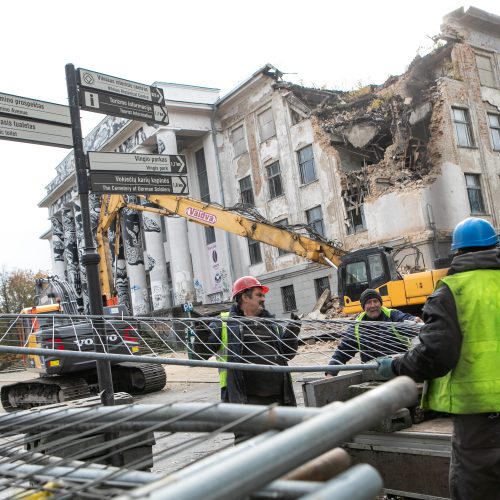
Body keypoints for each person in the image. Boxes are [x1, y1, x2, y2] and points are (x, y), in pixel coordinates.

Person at [376, 217, 500, 500]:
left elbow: (436, 355)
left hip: (482, 419)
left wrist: (395, 366)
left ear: (457, 252)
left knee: (476, 489)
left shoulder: (452, 291)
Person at [203, 276, 298, 408]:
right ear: (245, 298)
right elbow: (201, 353)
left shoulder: (270, 322)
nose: (263, 299)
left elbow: (287, 355)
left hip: (280, 399)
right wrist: (201, 334)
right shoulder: (224, 322)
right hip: (245, 400)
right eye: (259, 295)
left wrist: (292, 333)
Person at [326, 288, 422, 375]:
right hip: (372, 376)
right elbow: (343, 351)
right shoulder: (357, 326)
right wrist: (330, 372)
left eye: (375, 301)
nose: (373, 305)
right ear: (363, 306)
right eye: (368, 302)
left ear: (380, 303)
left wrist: (414, 321)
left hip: (398, 373)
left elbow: (404, 319)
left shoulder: (392, 315)